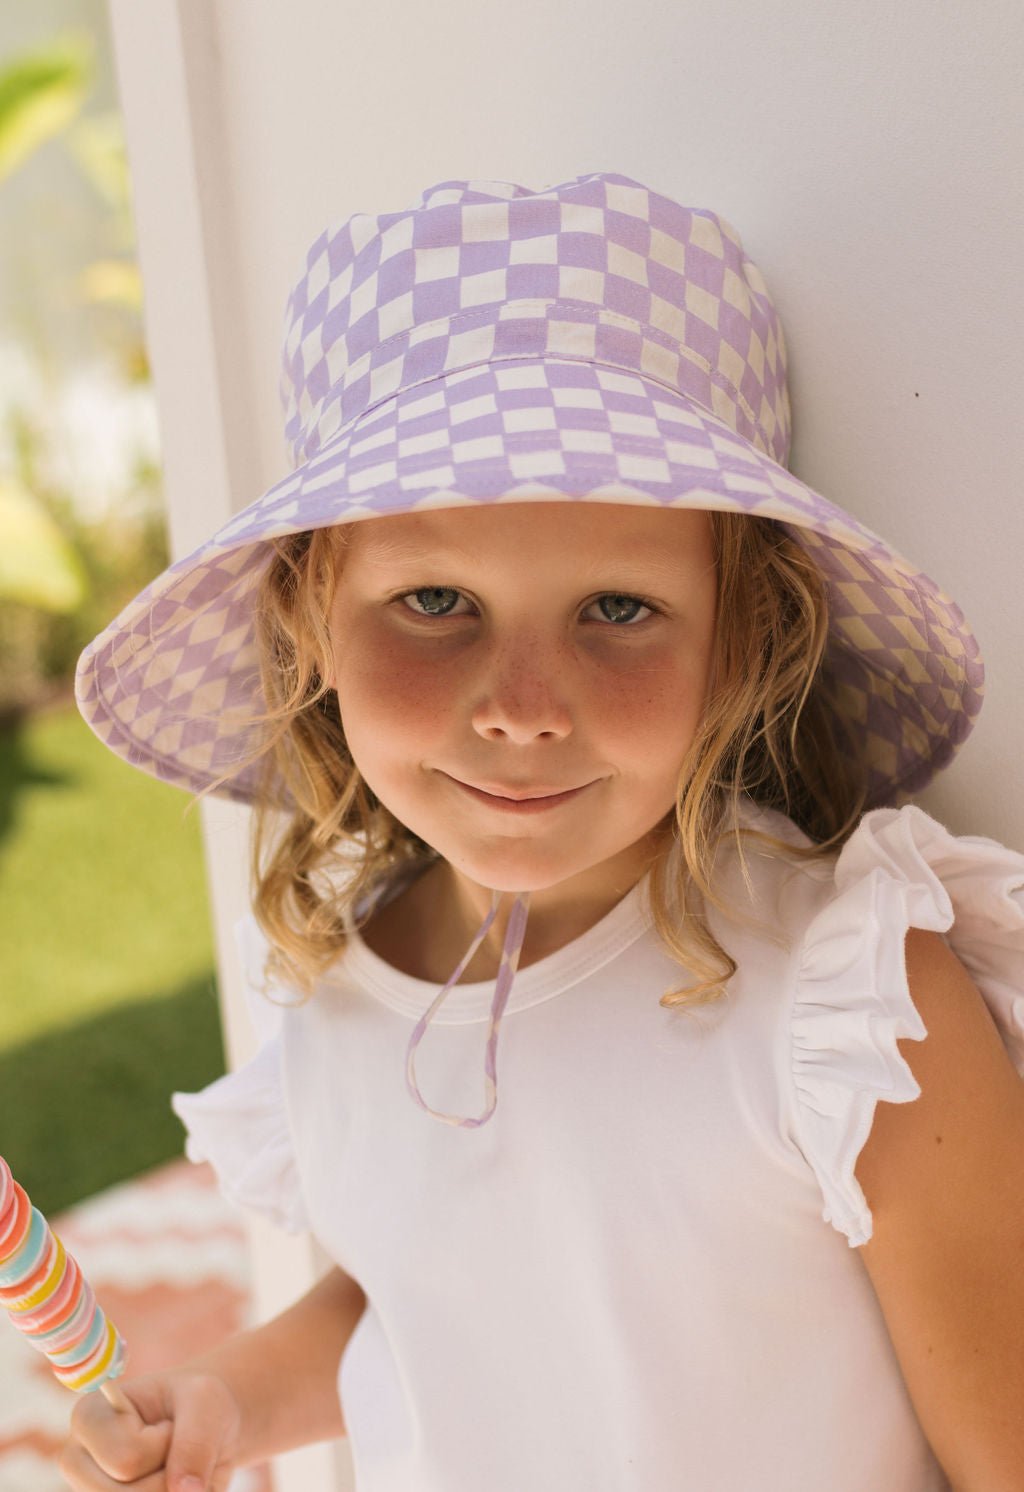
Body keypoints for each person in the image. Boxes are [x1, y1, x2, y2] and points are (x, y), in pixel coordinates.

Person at [60, 173, 1023, 1492]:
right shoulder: (343, 985)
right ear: (310, 625)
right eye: (437, 598)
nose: (519, 709)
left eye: (617, 610)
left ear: (741, 643)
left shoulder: (846, 999)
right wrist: (226, 1399)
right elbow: (420, 1298)